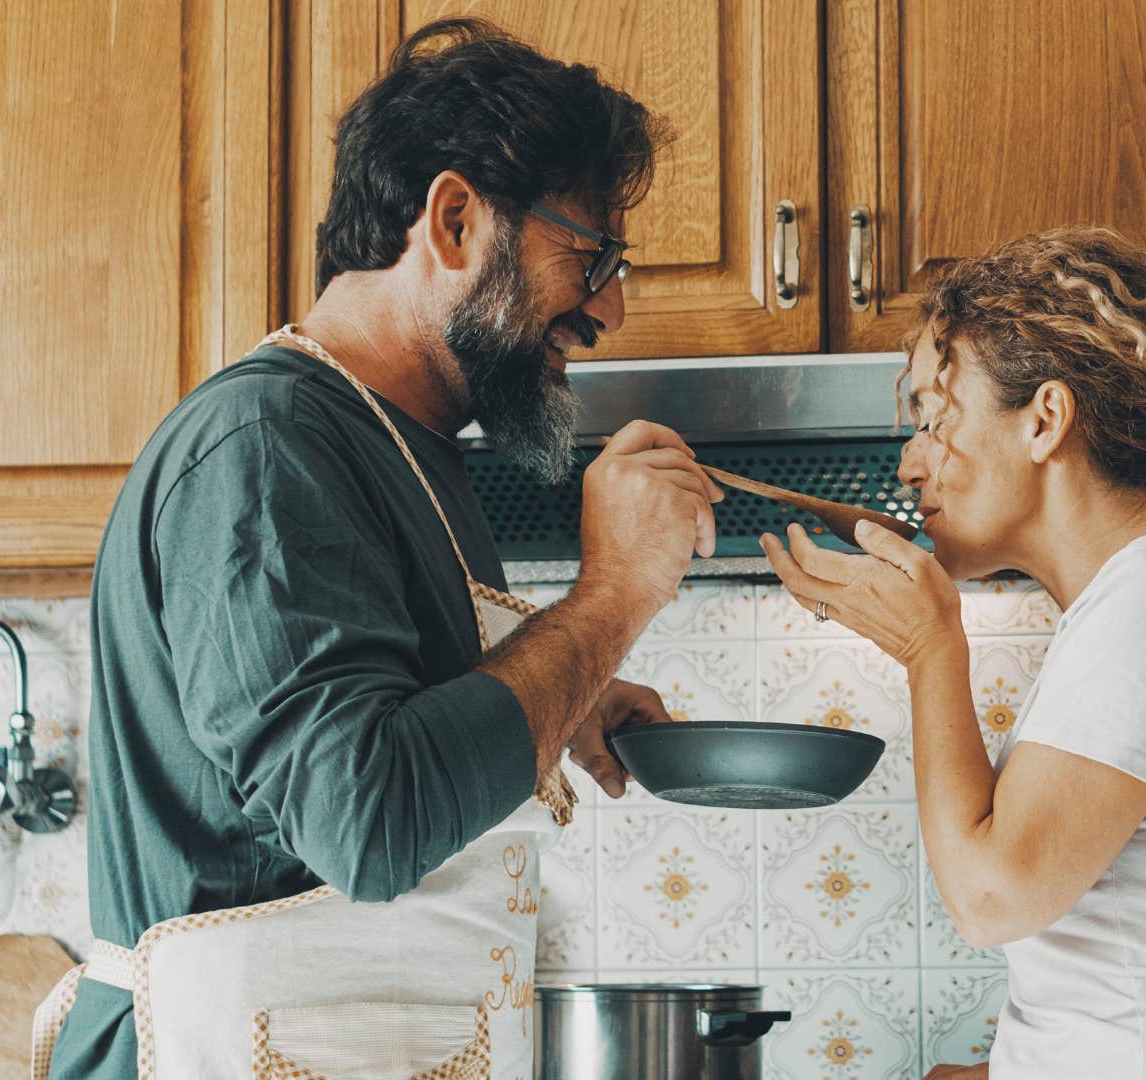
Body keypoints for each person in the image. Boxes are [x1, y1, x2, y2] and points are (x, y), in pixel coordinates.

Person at [38, 19, 723, 1079]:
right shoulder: (268, 445)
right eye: (591, 254)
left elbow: (363, 733)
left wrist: (567, 693)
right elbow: (366, 818)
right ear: (455, 219)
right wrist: (615, 593)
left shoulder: (399, 446)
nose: (612, 308)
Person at [762, 227, 1146, 1079]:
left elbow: (991, 898)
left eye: (933, 416)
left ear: (1045, 420)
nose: (911, 461)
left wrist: (931, 648)